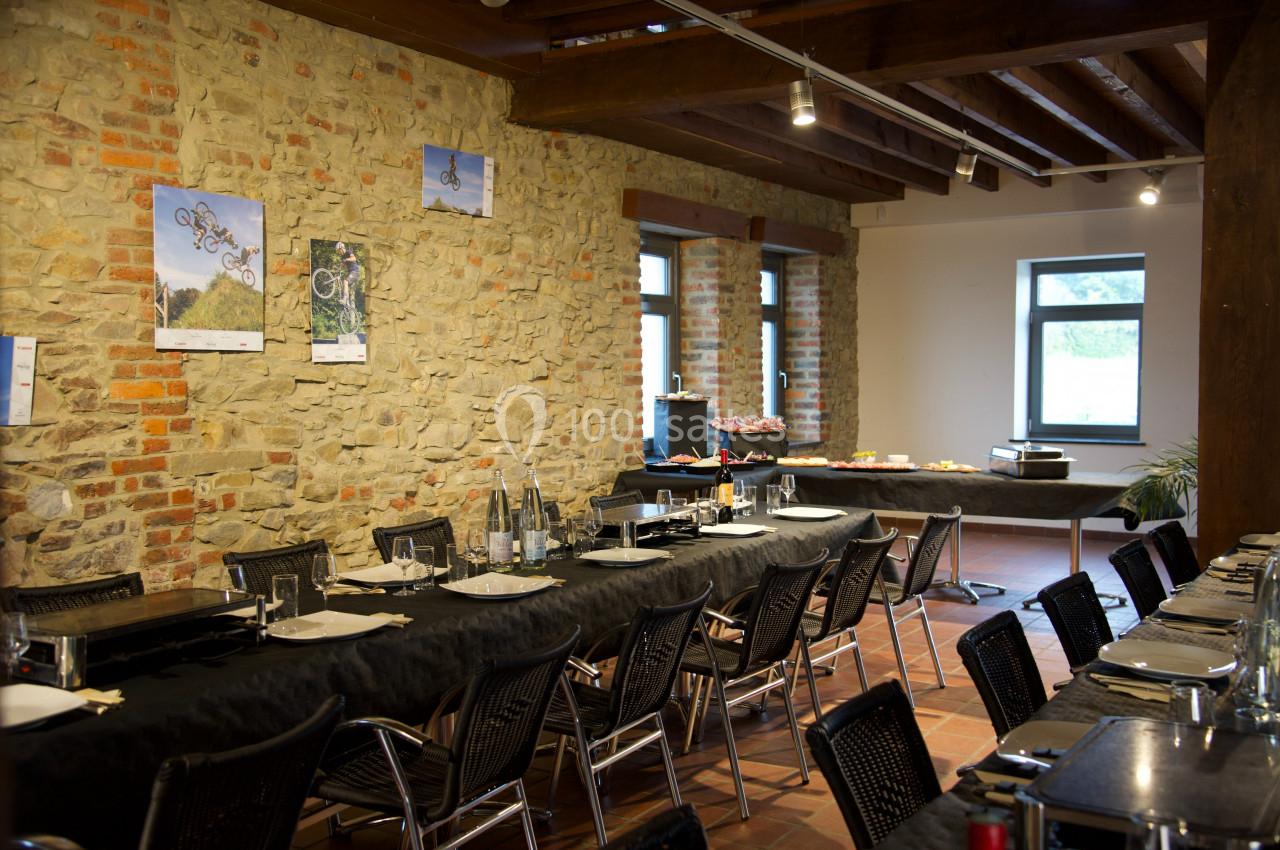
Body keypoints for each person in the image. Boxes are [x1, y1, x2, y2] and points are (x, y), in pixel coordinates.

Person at [335, 241, 359, 306]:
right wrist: (337, 270)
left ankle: (345, 299)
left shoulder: (348, 252)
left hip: (355, 272)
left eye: (339, 250)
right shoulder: (342, 257)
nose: (339, 252)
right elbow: (342, 266)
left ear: (342, 248)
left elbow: (354, 258)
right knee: (343, 284)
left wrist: (347, 259)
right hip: (350, 273)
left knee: (345, 281)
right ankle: (347, 303)